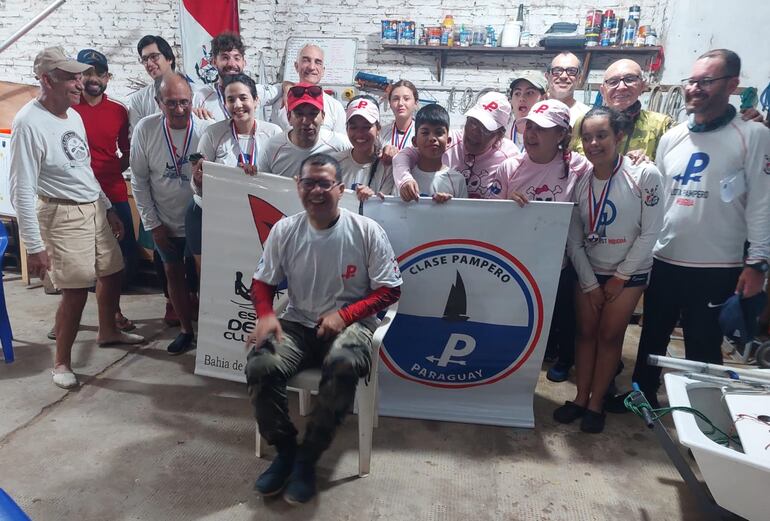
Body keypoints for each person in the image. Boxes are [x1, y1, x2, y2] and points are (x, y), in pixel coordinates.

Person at [610, 49, 770, 411]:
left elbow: (763, 203)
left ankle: (705, 414)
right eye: (692, 81)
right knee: (651, 337)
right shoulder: (673, 137)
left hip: (717, 265)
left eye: (706, 81)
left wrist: (758, 263)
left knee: (702, 344)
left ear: (732, 85)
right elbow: (661, 200)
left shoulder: (752, 134)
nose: (695, 89)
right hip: (666, 258)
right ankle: (642, 396)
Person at [245, 153, 402, 504]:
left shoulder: (366, 231)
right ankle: (286, 450)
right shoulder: (285, 230)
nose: (316, 191)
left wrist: (345, 316)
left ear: (341, 189)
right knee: (260, 365)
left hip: (354, 324)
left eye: (324, 183)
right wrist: (266, 313)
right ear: (298, 187)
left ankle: (307, 458)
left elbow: (390, 289)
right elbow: (262, 281)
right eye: (308, 183)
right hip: (298, 324)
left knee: (343, 366)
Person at [9, 47, 144, 388]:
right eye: (70, 77)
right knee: (75, 291)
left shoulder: (73, 115)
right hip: (61, 212)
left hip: (92, 206)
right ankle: (61, 363)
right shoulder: (28, 123)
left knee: (113, 272)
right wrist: (34, 245)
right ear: (46, 80)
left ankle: (108, 331)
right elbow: (21, 190)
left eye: (79, 75)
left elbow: (83, 168)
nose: (78, 82)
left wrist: (108, 207)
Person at [554, 106, 664, 433]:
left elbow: (651, 231)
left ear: (618, 136)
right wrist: (589, 283)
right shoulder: (581, 180)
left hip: (628, 275)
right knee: (585, 335)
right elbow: (574, 238)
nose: (593, 144)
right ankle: (579, 397)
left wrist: (620, 277)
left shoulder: (645, 174)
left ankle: (597, 403)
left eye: (601, 135)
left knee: (609, 335)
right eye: (586, 138)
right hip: (590, 271)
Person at [498, 100, 592, 380]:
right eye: (529, 126)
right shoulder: (509, 167)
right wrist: (507, 205)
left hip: (560, 259)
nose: (531, 134)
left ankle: (564, 358)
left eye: (542, 129)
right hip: (519, 258)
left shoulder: (579, 167)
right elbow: (491, 216)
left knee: (564, 312)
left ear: (562, 135)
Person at [130, 72, 208, 355]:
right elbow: (138, 179)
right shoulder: (145, 129)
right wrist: (152, 224)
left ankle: (209, 333)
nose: (179, 110)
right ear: (158, 102)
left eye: (185, 102)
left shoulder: (205, 129)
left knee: (204, 278)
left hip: (199, 220)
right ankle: (186, 331)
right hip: (164, 219)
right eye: (171, 103)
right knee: (172, 274)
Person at [189, 74, 282, 273]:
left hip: (258, 216)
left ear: (256, 100)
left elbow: (281, 180)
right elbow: (197, 187)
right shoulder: (213, 134)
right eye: (230, 99)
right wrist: (199, 180)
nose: (237, 104)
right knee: (214, 277)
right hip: (217, 217)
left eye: (243, 97)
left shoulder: (273, 133)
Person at [72, 50, 137, 331]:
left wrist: (111, 169)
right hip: (78, 194)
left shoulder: (119, 111)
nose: (93, 78)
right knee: (78, 259)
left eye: (100, 73)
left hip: (114, 191)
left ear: (108, 77)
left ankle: (114, 313)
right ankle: (68, 317)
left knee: (119, 257)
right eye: (87, 72)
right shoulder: (68, 110)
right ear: (79, 76)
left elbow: (127, 151)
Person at [394, 92, 519, 200]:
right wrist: (405, 180)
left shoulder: (509, 156)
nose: (474, 130)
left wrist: (515, 197)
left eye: (485, 128)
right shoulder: (447, 140)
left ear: (499, 136)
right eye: (472, 121)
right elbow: (404, 155)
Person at [570, 59, 672, 161]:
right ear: (602, 90)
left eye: (630, 79)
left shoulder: (661, 125)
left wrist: (648, 166)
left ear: (643, 85)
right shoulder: (584, 122)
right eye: (613, 82)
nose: (621, 87)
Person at [260, 82, 350, 177]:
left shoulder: (340, 146)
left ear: (323, 117)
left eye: (313, 113)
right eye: (299, 114)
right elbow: (261, 185)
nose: (306, 121)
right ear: (289, 117)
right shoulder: (271, 148)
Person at [192, 32, 279, 122]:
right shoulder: (201, 97)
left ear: (244, 63)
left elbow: (283, 88)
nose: (232, 64)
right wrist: (192, 113)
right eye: (225, 58)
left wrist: (287, 85)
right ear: (214, 62)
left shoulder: (256, 91)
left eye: (237, 58)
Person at [398, 103, 467, 202]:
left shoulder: (457, 180)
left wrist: (448, 207)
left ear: (448, 142)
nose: (432, 138)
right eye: (425, 133)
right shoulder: (405, 179)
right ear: (414, 141)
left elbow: (463, 215)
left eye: (439, 133)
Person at [270, 44, 346, 133]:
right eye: (306, 60)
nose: (311, 67)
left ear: (323, 70)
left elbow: (341, 144)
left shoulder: (335, 107)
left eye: (318, 62)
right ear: (296, 66)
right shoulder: (281, 102)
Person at [333, 96, 394, 201]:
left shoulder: (388, 167)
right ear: (346, 129)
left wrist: (371, 199)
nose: (359, 133)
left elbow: (384, 207)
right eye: (353, 127)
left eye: (366, 127)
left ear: (378, 129)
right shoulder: (333, 163)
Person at [126, 35, 175, 131]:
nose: (149, 63)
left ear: (169, 58)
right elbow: (135, 139)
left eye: (154, 57)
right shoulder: (138, 99)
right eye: (145, 59)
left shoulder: (196, 93)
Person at [545, 52, 590, 122]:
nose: (564, 76)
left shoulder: (587, 116)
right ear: (547, 76)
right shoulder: (533, 110)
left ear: (579, 78)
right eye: (557, 70)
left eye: (571, 71)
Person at [506, 72, 546, 151]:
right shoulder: (501, 132)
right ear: (511, 100)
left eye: (529, 93)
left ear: (543, 99)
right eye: (517, 93)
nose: (521, 98)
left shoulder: (549, 136)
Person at [379, 80, 419, 151]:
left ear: (415, 103)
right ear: (390, 104)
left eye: (406, 99)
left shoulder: (421, 133)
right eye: (396, 99)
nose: (400, 103)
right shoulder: (382, 133)